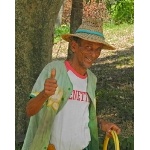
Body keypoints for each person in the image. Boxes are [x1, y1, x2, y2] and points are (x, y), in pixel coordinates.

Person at [22, 18, 121, 150]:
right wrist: (44, 94)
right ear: (74, 46)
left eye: (98, 49)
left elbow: (82, 113)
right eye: (88, 47)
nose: (93, 54)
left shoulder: (92, 79)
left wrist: (102, 124)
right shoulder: (54, 70)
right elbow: (30, 110)